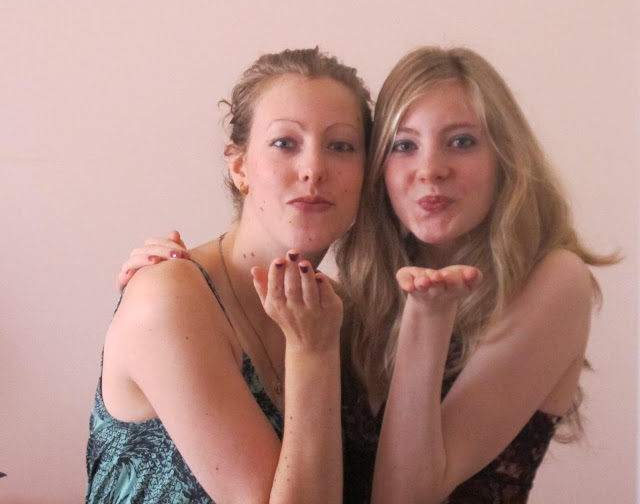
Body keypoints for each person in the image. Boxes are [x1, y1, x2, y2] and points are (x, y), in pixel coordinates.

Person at [120, 46, 617, 503]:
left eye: (340, 146)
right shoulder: (344, 308)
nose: (431, 169)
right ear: (239, 166)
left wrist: (420, 320)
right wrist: (158, 293)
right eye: (404, 145)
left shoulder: (552, 278)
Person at [86, 47, 374, 503]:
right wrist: (313, 352)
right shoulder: (170, 295)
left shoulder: (336, 312)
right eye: (285, 143)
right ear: (240, 167)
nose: (314, 169)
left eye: (340, 146)